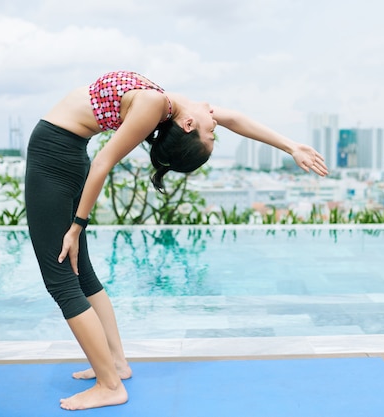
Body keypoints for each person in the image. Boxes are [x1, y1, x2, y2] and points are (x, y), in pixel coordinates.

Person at [24, 70, 328, 411]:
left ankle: (108, 384)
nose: (214, 120)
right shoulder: (168, 105)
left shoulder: (156, 104)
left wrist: (78, 225)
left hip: (54, 156)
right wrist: (290, 145)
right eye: (214, 132)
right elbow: (237, 119)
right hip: (65, 152)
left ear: (188, 127)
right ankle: (116, 365)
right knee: (82, 274)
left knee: (61, 278)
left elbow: (104, 162)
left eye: (211, 131)